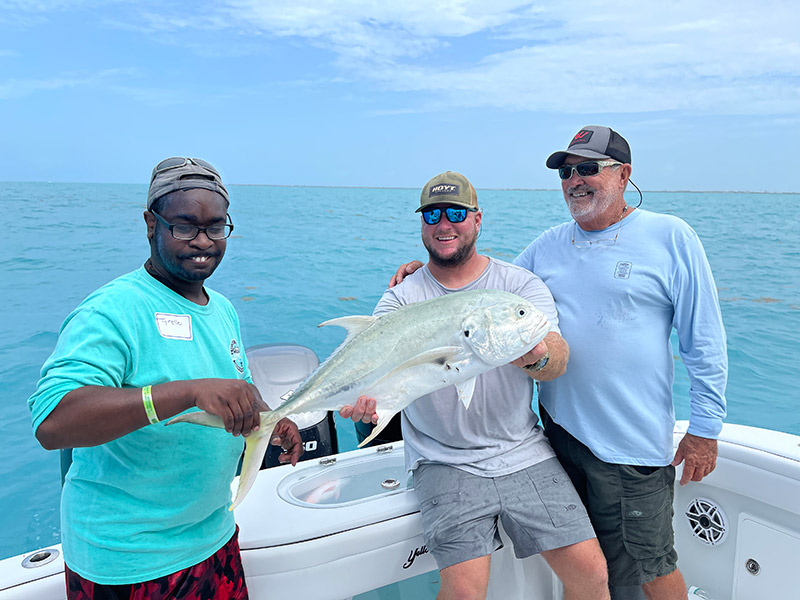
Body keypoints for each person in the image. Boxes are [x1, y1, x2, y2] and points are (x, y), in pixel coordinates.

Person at [392, 128, 728, 600]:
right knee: (599, 570)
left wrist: (706, 427)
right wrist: (426, 268)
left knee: (650, 564)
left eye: (588, 168)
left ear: (624, 174)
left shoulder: (671, 237)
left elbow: (705, 339)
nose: (574, 180)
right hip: (559, 437)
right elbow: (485, 293)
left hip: (630, 443)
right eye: (566, 171)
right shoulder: (548, 246)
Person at [28, 157, 305, 600]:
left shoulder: (223, 310)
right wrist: (188, 393)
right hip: (129, 562)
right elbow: (54, 421)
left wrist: (269, 421)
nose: (203, 242)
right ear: (150, 223)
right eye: (184, 226)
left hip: (213, 537)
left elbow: (235, 389)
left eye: (216, 227)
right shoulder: (113, 310)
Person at [342, 171, 610, 600]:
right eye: (432, 214)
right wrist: (366, 406)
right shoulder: (400, 299)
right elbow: (375, 374)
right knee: (464, 593)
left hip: (522, 449)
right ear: (422, 223)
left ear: (477, 219)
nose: (444, 224)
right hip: (442, 460)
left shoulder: (517, 287)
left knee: (593, 575)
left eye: (455, 213)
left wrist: (534, 355)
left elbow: (556, 357)